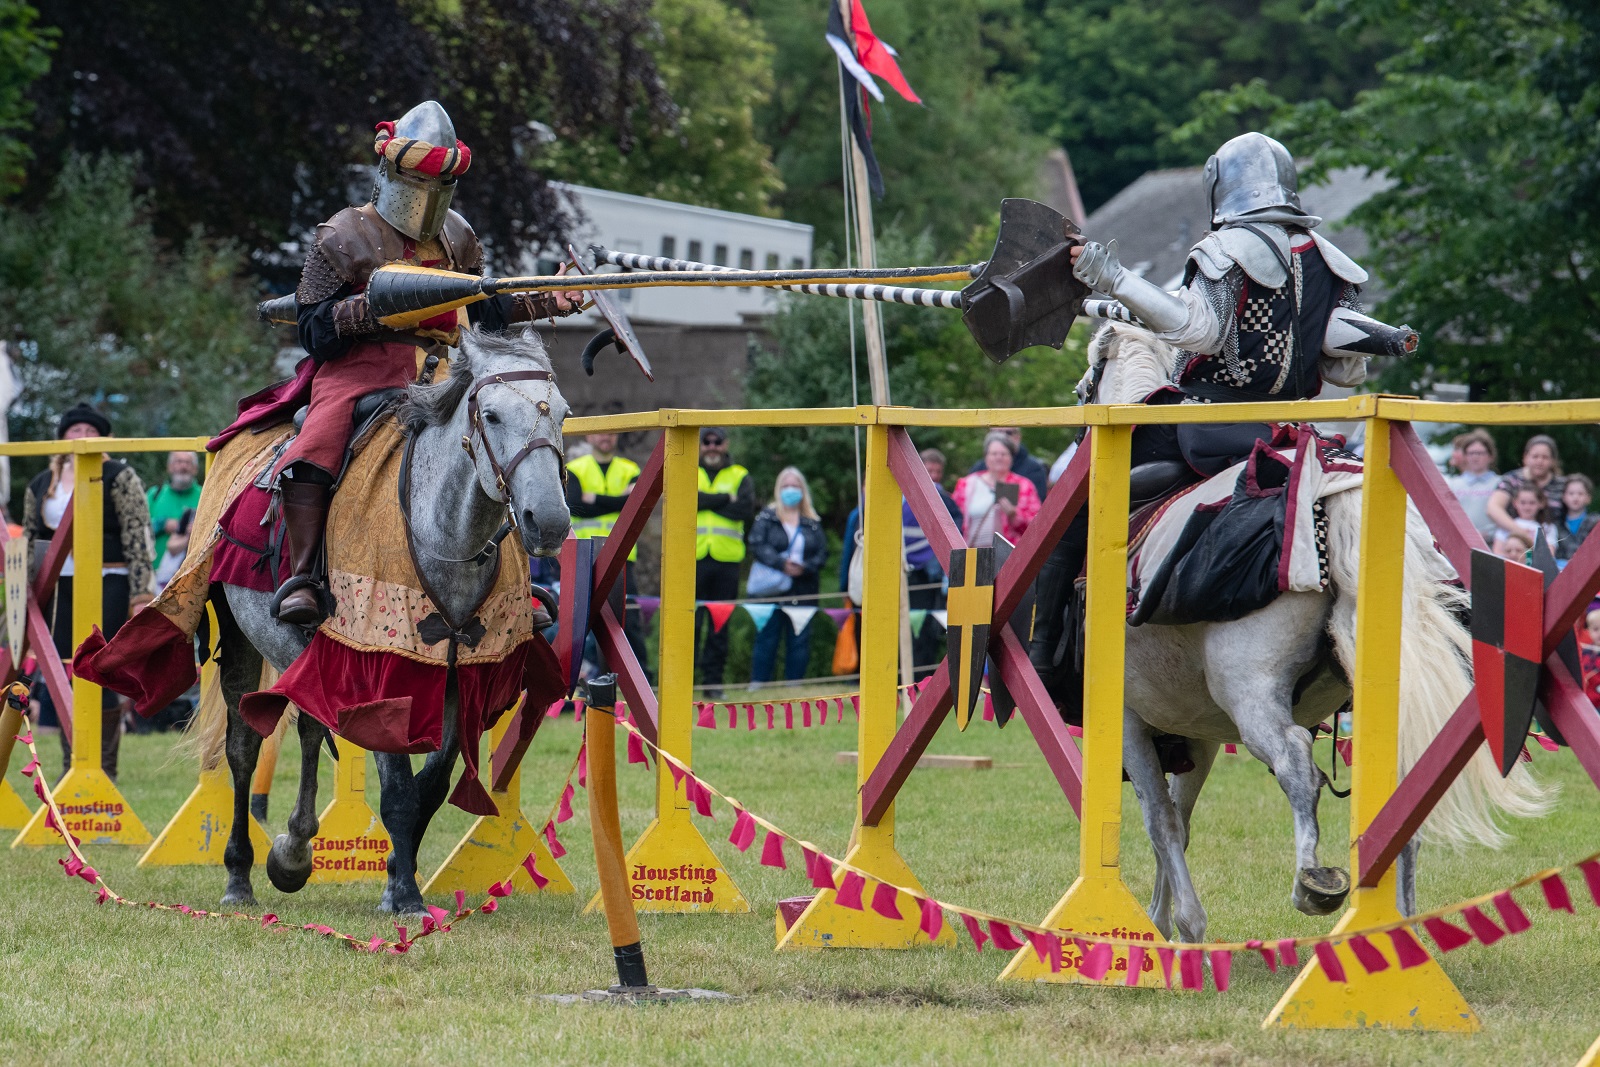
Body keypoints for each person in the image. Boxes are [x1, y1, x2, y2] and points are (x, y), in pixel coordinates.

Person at [1033, 131, 1415, 690]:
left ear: (1221, 187)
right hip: (1287, 430)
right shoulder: (1328, 261)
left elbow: (1198, 329)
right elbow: (1336, 345)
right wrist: (1386, 338)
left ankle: (1042, 654)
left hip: (1204, 427)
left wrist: (1114, 279)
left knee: (1077, 493)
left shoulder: (1225, 250)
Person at [238, 100, 584, 625]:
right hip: (360, 370)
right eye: (417, 180)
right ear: (390, 171)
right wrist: (376, 309)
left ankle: (513, 584)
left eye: (438, 185)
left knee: (499, 441)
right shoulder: (342, 235)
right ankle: (305, 576)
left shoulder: (459, 237)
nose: (426, 197)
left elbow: (485, 309)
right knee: (316, 444)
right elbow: (314, 330)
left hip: (446, 369)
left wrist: (549, 299)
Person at [21, 403, 154, 780]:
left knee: (100, 670)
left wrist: (141, 592)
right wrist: (26, 594)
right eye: (74, 431)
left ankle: (104, 769)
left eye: (89, 431)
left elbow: (137, 534)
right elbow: (31, 539)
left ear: (103, 438)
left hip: (109, 580)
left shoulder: (119, 475)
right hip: (58, 588)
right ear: (62, 438)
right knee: (64, 673)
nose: (82, 437)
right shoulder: (39, 483)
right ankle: (72, 766)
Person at [565, 431, 650, 677]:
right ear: (589, 437)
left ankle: (641, 678)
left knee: (629, 620)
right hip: (583, 555)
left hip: (622, 556)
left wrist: (594, 500)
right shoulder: (574, 468)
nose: (606, 437)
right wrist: (618, 499)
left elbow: (635, 504)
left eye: (611, 433)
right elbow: (576, 507)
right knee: (579, 621)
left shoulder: (629, 467)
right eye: (600, 433)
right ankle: (581, 680)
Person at [747, 468, 827, 685]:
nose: (790, 490)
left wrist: (805, 567)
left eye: (795, 486)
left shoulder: (812, 521)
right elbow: (756, 543)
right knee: (766, 638)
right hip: (771, 589)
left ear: (803, 490)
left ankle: (794, 684)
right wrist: (782, 564)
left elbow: (822, 553)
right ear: (778, 489)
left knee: (799, 638)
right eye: (785, 486)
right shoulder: (767, 517)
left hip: (804, 587)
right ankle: (759, 683)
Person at [693, 427, 754, 697]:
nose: (712, 447)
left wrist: (706, 502)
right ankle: (684, 682)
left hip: (727, 561)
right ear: (701, 445)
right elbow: (688, 501)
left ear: (725, 444)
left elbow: (743, 509)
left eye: (717, 442)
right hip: (691, 559)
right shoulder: (689, 470)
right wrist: (723, 499)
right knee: (688, 625)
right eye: (707, 442)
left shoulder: (740, 475)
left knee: (719, 627)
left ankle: (713, 683)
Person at [953, 432, 1041, 546]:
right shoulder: (966, 484)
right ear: (985, 456)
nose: (999, 458)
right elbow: (953, 520)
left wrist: (1015, 516)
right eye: (994, 454)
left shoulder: (1025, 486)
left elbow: (1038, 526)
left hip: (1011, 557)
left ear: (1011, 457)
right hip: (971, 555)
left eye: (1004, 454)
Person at [1487, 435, 1567, 542]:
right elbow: (1493, 508)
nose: (1539, 461)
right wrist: (1521, 532)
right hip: (1513, 543)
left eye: (1545, 457)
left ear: (1553, 460)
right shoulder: (1511, 480)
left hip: (1554, 543)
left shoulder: (1563, 485)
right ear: (1525, 457)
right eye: (1535, 456)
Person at [148, 450, 203, 592]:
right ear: (170, 467)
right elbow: (139, 529)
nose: (183, 466)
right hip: (156, 575)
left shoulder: (205, 494)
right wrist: (161, 524)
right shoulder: (154, 494)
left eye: (188, 462)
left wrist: (198, 529)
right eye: (178, 461)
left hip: (195, 576)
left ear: (195, 469)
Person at [1446, 430, 1499, 544]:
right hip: (1460, 542)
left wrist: (1489, 534)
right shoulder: (1453, 484)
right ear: (1465, 456)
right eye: (1471, 453)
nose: (1475, 457)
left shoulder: (1500, 483)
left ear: (1490, 456)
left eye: (1480, 453)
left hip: (1492, 544)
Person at [967, 427, 1049, 499]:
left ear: (1018, 437)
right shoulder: (977, 470)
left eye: (1008, 433)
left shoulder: (1034, 470)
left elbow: (1037, 510)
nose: (1002, 436)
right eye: (997, 432)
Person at [1493, 486, 1556, 556]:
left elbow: (1550, 555)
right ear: (1515, 503)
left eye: (1532, 503)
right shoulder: (1506, 525)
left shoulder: (1548, 527)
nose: (1527, 507)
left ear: (1541, 503)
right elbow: (1497, 552)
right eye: (1523, 503)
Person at [1555, 474, 1598, 563]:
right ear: (1564, 497)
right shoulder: (1557, 525)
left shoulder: (1596, 523)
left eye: (1580, 493)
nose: (1575, 497)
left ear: (1588, 498)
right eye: (1571, 493)